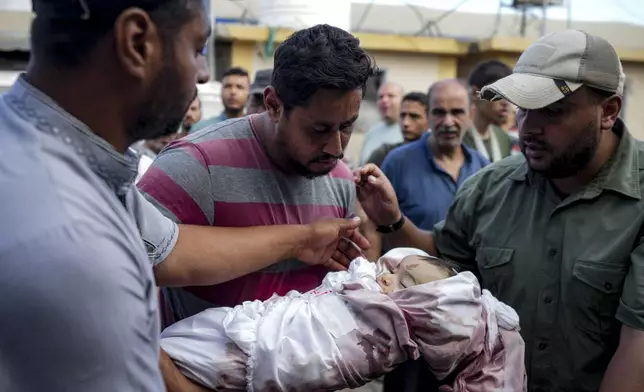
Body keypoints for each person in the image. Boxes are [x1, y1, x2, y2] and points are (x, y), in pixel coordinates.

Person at [0, 2, 368, 391]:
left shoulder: (88, 170)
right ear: (137, 42)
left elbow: (168, 249)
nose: (205, 73)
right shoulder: (68, 236)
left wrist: (303, 239)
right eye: (197, 48)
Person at [356, 30, 644, 392]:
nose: (529, 129)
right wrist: (393, 221)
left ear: (609, 111)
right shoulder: (488, 188)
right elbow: (446, 269)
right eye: (523, 109)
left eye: (553, 111)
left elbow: (637, 350)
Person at [138, 24, 376, 322]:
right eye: (319, 129)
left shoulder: (340, 179)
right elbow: (121, 271)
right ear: (274, 105)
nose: (336, 148)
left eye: (346, 126)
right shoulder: (193, 166)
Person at [462, 60, 514, 162]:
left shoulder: (503, 138)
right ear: (474, 93)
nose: (505, 102)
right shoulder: (459, 138)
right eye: (498, 93)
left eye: (509, 94)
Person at [367, 91, 429, 167]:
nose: (405, 123)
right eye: (402, 115)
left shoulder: (439, 158)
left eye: (414, 116)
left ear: (429, 119)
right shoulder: (384, 155)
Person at [191, 66, 250, 132]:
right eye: (228, 86)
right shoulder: (201, 129)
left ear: (249, 92)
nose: (233, 91)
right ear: (221, 91)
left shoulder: (255, 130)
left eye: (239, 87)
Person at [359, 81, 404, 164]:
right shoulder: (372, 131)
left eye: (390, 96)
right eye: (381, 97)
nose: (384, 100)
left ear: (403, 101)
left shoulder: (408, 131)